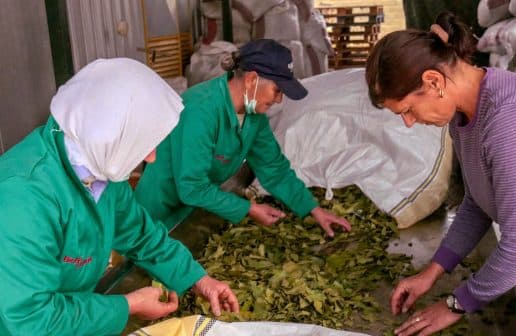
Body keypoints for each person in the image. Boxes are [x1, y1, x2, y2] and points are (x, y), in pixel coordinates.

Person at [365, 12, 516, 336]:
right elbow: (478, 201)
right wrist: (433, 271)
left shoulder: (510, 121)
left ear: (433, 82)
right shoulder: (464, 116)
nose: (409, 123)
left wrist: (456, 304)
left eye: (408, 110)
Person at [0, 58, 239, 335]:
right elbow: (33, 320)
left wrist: (198, 279)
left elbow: (140, 234)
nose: (152, 157)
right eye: (144, 145)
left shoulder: (99, 164)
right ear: (111, 135)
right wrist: (127, 305)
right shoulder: (23, 199)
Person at [135, 39, 351, 237]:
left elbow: (274, 168)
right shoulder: (200, 110)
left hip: (192, 210)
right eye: (277, 90)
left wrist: (313, 209)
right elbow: (192, 187)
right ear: (252, 80)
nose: (279, 99)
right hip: (158, 214)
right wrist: (249, 208)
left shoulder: (252, 114)